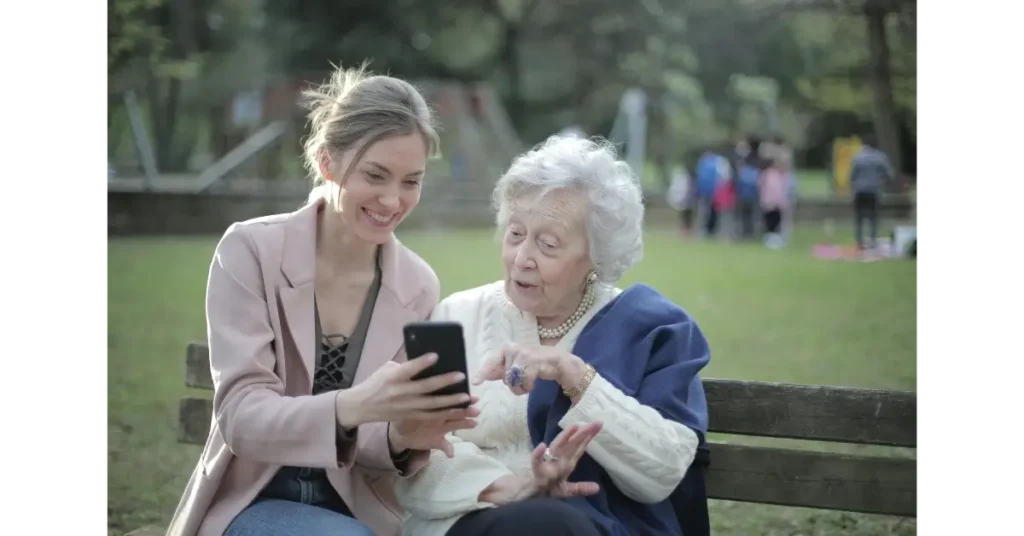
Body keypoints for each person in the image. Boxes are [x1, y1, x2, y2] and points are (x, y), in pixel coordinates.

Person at [166, 64, 481, 536]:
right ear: (327, 161)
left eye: (411, 181)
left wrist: (401, 435)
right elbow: (241, 416)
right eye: (375, 175)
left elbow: (373, 440)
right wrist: (353, 404)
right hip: (251, 502)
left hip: (361, 512)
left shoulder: (417, 283)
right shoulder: (250, 250)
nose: (392, 201)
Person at [394, 135, 712, 536]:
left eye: (547, 244)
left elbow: (665, 471)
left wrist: (576, 377)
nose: (522, 258)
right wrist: (508, 487)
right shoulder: (457, 315)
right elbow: (414, 451)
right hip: (467, 521)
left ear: (596, 255)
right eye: (515, 234)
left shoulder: (651, 329)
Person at [849, 132, 895, 249]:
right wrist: (882, 181)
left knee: (859, 217)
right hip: (873, 191)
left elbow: (852, 176)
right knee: (873, 217)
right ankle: (873, 241)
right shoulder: (880, 157)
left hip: (859, 191)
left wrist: (854, 186)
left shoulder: (857, 157)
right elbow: (890, 175)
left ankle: (859, 242)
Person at [759, 157, 789, 249]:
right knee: (770, 222)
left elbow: (782, 190)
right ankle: (769, 240)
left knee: (777, 221)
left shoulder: (782, 176)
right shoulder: (767, 174)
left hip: (778, 203)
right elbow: (765, 189)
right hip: (769, 203)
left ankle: (776, 240)